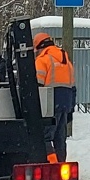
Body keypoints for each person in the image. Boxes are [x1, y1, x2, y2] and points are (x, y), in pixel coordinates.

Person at [33, 30, 76, 162]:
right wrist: (71, 109)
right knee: (60, 139)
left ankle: (52, 165)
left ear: (39, 47)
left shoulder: (42, 60)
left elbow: (36, 86)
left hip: (50, 105)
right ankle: (61, 166)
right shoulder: (66, 61)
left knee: (44, 137)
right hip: (65, 103)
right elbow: (73, 87)